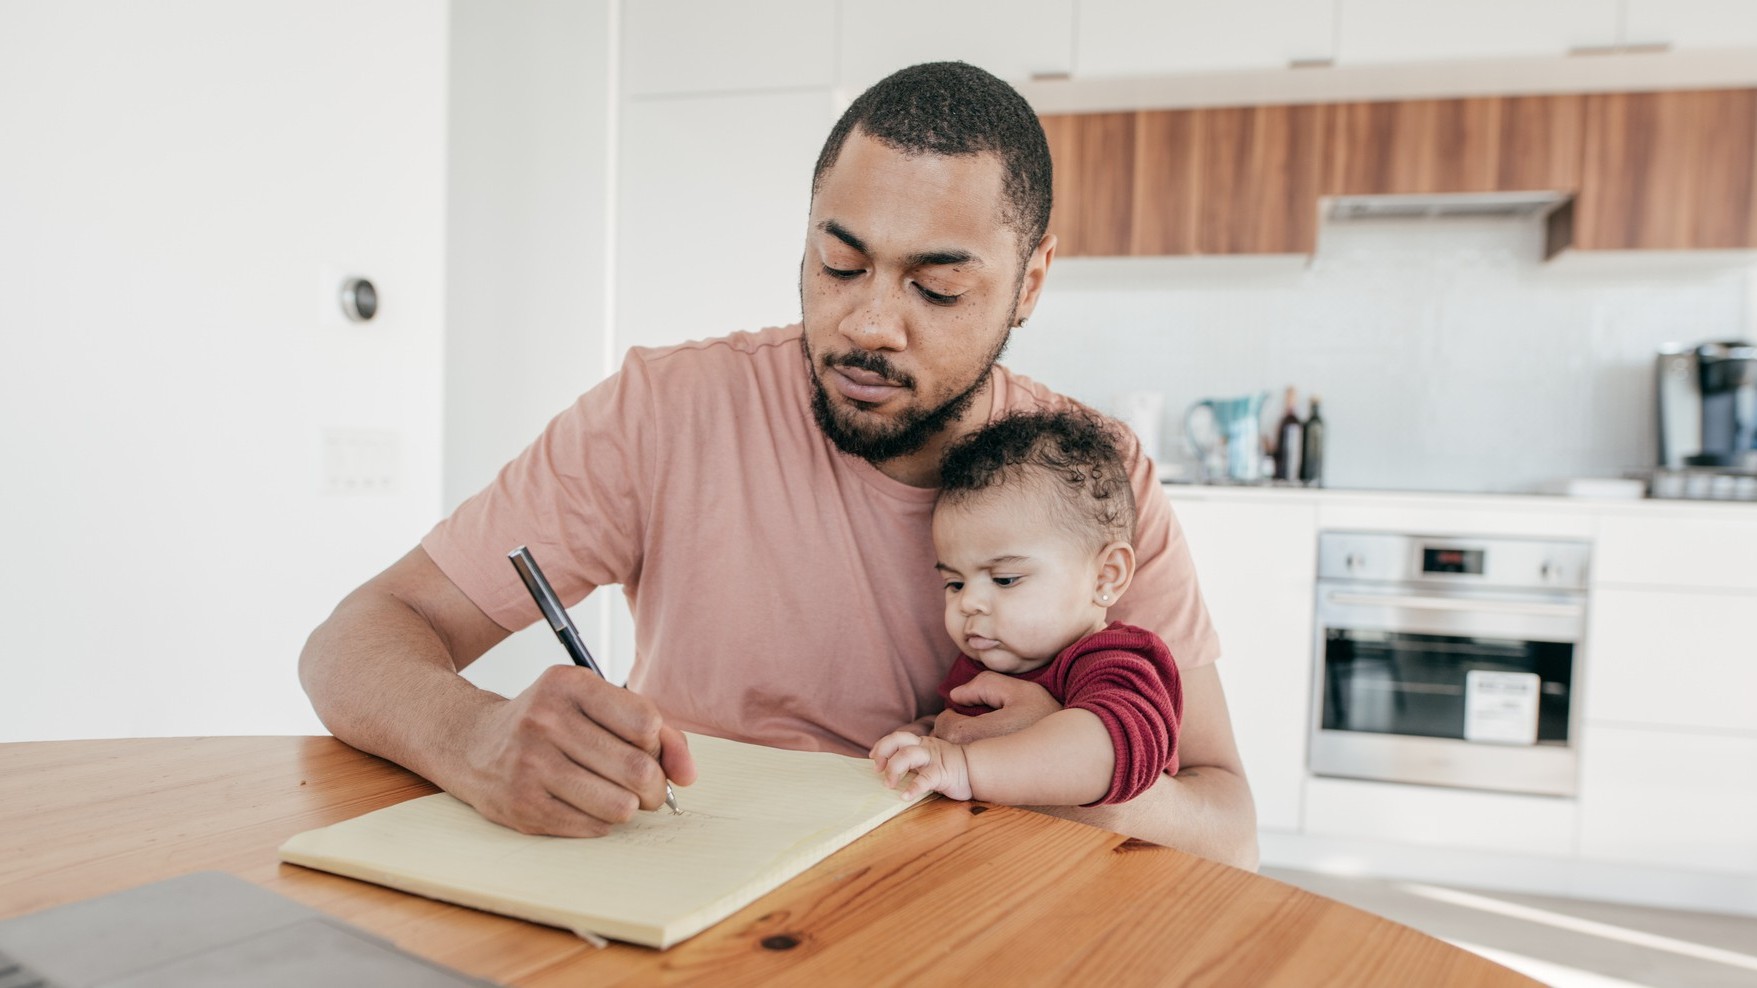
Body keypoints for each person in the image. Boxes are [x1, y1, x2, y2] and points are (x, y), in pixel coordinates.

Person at [298, 61, 1258, 867]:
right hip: (700, 902)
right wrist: (474, 738)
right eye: (839, 266)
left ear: (1030, 282)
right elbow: (351, 644)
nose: (868, 325)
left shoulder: (1097, 475)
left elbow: (1227, 827)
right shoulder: (665, 412)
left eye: (936, 287)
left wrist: (1064, 771)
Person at [870, 410, 1182, 807]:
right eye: (955, 583)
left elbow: (1107, 751)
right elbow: (961, 730)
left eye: (1004, 579)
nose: (969, 603)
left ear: (1106, 576)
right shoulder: (987, 661)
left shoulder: (1115, 661)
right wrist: (922, 743)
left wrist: (966, 767)